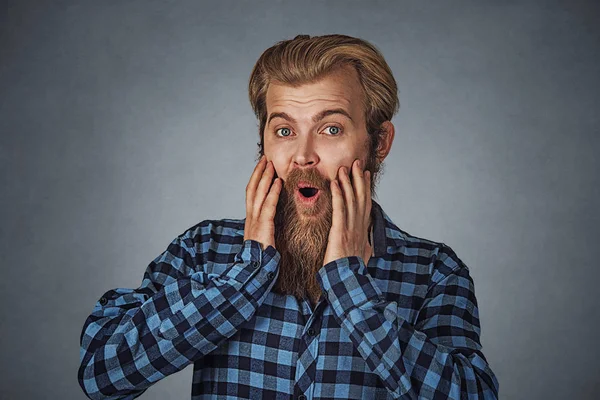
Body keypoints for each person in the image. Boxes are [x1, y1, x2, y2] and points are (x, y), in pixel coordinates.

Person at [78, 34, 499, 399]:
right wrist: (241, 282)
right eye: (284, 130)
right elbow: (101, 373)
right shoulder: (203, 250)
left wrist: (352, 288)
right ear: (264, 144)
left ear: (379, 142)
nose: (302, 155)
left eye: (331, 128)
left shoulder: (435, 272)